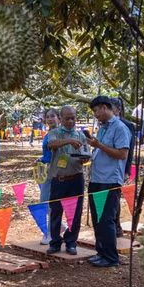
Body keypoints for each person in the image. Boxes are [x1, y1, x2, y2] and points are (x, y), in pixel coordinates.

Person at [85, 96, 131, 267]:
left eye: (96, 111)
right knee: (97, 218)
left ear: (105, 108)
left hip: (109, 180)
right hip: (97, 178)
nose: (96, 115)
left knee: (106, 219)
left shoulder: (120, 128)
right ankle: (101, 252)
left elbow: (122, 154)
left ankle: (111, 257)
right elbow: (100, 150)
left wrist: (99, 146)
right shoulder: (102, 128)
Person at [44, 105, 90, 255]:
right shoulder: (54, 132)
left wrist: (84, 158)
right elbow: (51, 144)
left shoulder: (81, 135)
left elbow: (86, 154)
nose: (70, 121)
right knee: (56, 211)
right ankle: (55, 242)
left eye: (73, 118)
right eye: (67, 118)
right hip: (58, 179)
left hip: (76, 178)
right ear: (61, 119)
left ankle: (71, 242)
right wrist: (69, 141)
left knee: (75, 213)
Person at [111, 98, 136, 237]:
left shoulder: (126, 125)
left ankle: (117, 226)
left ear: (118, 109)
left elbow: (129, 150)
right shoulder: (104, 124)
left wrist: (127, 169)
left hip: (120, 166)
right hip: (105, 169)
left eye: (111, 107)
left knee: (115, 197)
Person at [37, 108, 60, 244]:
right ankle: (59, 226)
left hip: (58, 172)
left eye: (53, 116)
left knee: (52, 203)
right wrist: (40, 159)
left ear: (59, 118)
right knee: (44, 201)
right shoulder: (47, 134)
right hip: (47, 171)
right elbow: (47, 155)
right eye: (47, 117)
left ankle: (51, 233)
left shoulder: (60, 134)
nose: (50, 119)